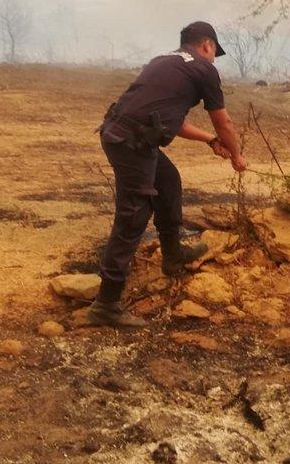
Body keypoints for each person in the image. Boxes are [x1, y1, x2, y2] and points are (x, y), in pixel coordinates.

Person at [86, 21, 248, 328]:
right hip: (131, 143)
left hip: (124, 135)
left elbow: (172, 123)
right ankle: (106, 303)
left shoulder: (166, 62)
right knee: (133, 215)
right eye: (214, 53)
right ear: (207, 46)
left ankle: (173, 256)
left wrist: (211, 142)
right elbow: (223, 122)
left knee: (167, 180)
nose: (213, 59)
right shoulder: (203, 68)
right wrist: (237, 155)